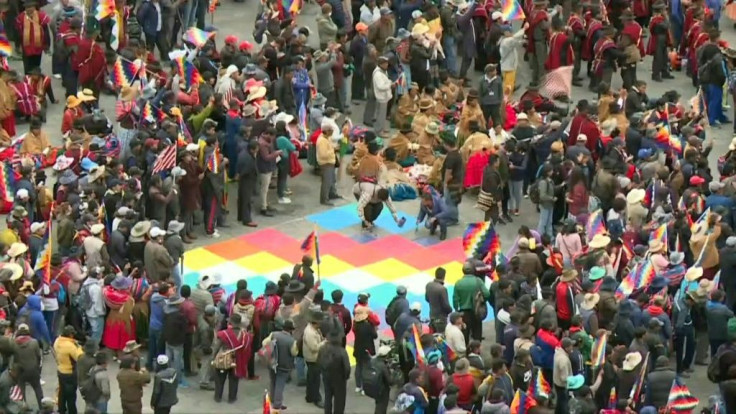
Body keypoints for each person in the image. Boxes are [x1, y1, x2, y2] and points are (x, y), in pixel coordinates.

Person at [264, 318, 298, 411]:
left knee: (273, 382)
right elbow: (294, 353)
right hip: (284, 365)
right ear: (291, 330)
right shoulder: (291, 340)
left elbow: (264, 343)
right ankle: (277, 403)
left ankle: (272, 399)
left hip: (272, 363)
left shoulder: (274, 334)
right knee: (280, 384)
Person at [318, 318, 350, 414]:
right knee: (339, 401)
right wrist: (345, 377)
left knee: (328, 397)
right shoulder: (342, 352)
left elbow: (319, 362)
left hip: (327, 377)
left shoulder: (323, 348)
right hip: (339, 379)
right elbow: (347, 368)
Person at [453, 260, 490, 342]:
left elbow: (455, 300)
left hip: (464, 313)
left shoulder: (458, 283)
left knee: (465, 334)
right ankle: (477, 350)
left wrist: (457, 311)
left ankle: (466, 351)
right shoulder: (478, 281)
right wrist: (482, 302)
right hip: (477, 311)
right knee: (477, 333)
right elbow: (487, 294)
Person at [54, 325, 83, 414]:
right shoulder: (70, 346)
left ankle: (61, 410)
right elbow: (79, 357)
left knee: (62, 393)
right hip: (69, 373)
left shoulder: (57, 341)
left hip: (60, 370)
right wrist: (79, 347)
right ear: (70, 335)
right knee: (71, 396)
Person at [13, 323, 44, 408]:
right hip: (33, 370)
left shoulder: (14, 343)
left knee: (21, 390)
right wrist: (38, 367)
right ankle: (42, 406)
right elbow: (38, 356)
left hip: (20, 371)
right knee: (37, 388)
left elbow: (13, 358)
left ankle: (24, 406)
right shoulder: (34, 342)